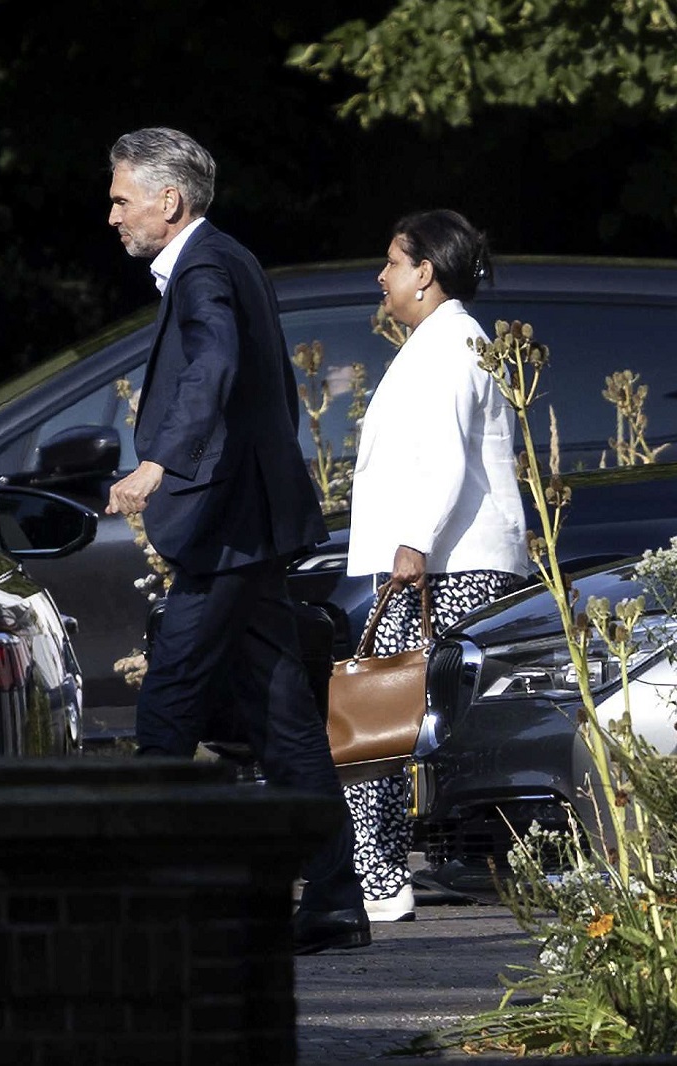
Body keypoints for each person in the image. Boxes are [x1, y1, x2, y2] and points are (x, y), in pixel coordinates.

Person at [104, 127, 369, 954]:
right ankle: (332, 901)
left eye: (121, 198)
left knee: (167, 703)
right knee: (287, 718)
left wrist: (159, 463)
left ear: (167, 201)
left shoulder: (206, 268)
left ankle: (137, 905)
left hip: (224, 528)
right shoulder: (233, 259)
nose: (111, 214)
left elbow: (216, 366)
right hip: (247, 524)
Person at [345, 209, 529, 922]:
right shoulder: (441, 341)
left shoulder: (451, 345)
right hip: (437, 564)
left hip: (441, 567)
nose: (381, 276)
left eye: (392, 263)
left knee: (376, 720)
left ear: (425, 273)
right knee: (391, 721)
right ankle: (381, 872)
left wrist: (412, 545)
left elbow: (448, 458)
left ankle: (381, 878)